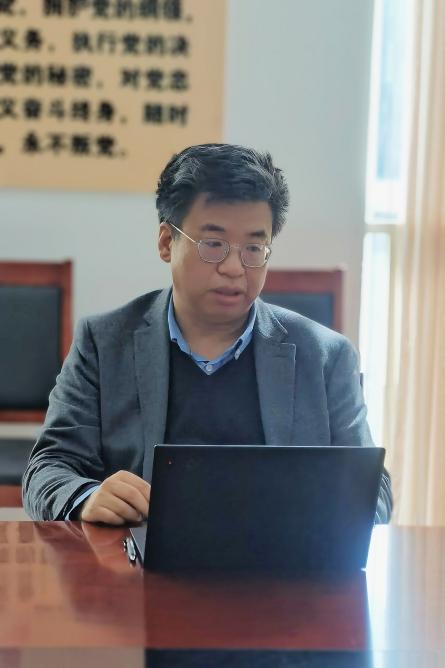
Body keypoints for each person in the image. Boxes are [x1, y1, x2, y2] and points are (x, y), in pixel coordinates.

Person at [22, 143, 392, 524]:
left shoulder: (327, 357)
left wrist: (315, 511)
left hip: (279, 556)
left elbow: (375, 493)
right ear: (167, 242)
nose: (234, 268)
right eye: (213, 245)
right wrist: (87, 497)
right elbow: (48, 468)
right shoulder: (103, 344)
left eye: (254, 248)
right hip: (136, 554)